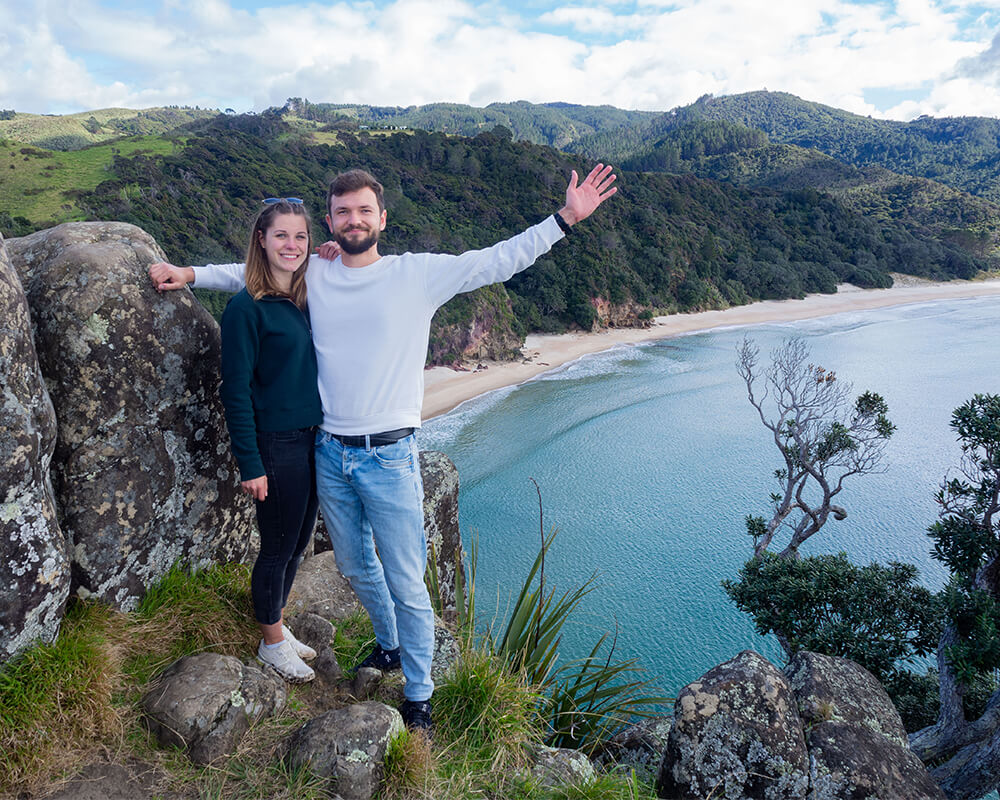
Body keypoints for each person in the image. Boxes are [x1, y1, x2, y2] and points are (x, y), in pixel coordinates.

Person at [149, 164, 617, 730]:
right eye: (343, 212)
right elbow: (257, 272)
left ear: (382, 218)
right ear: (331, 220)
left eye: (364, 210)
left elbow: (499, 259)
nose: (353, 220)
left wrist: (566, 218)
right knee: (352, 563)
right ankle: (390, 643)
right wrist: (190, 274)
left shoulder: (415, 275)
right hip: (329, 450)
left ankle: (419, 692)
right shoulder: (314, 273)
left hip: (391, 455)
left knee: (404, 576)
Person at [218, 198, 323, 683]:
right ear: (261, 239)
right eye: (281, 235)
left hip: (312, 439)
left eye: (300, 236)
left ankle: (277, 623)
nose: (292, 245)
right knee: (277, 545)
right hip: (276, 444)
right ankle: (271, 643)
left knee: (300, 541)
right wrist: (250, 463)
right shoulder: (245, 308)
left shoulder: (306, 297)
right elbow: (235, 390)